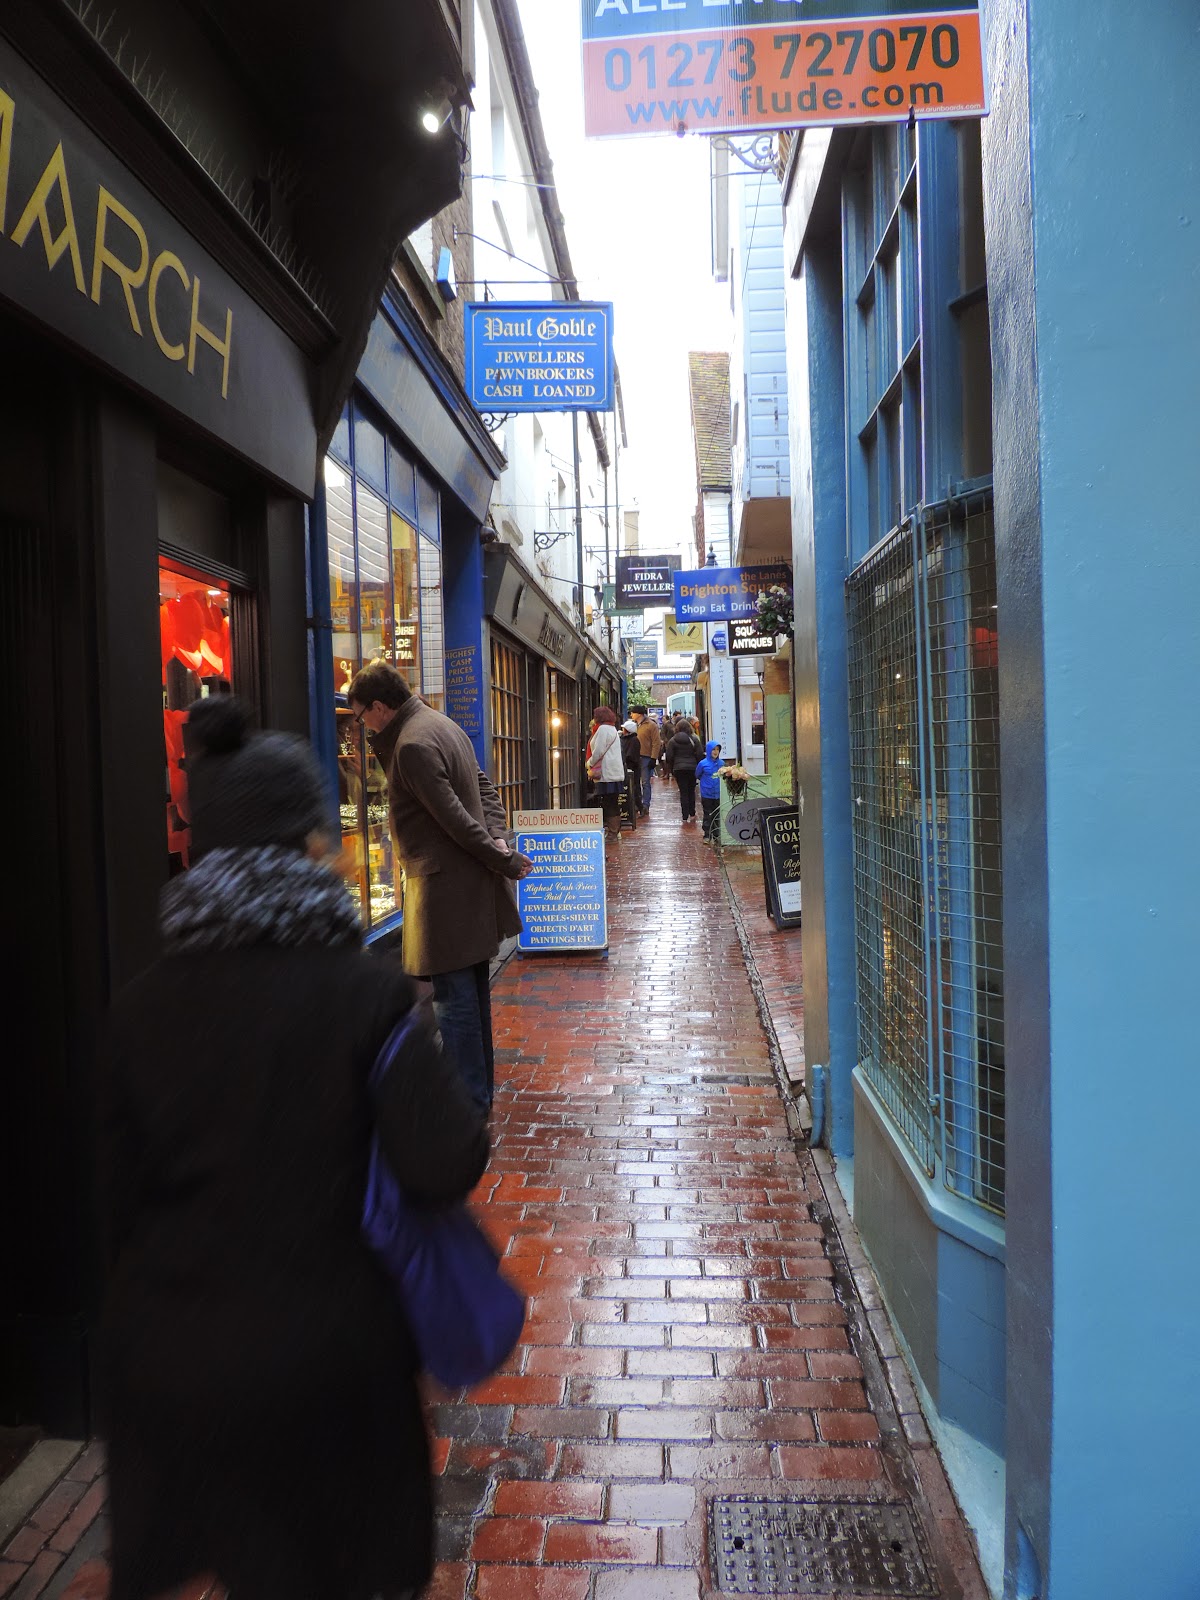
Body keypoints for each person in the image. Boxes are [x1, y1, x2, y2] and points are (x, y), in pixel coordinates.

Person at [100, 694, 488, 1600]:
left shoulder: (137, 1012)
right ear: (312, 847)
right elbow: (445, 1159)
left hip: (184, 1371)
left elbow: (114, 1208)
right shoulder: (366, 996)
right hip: (332, 1365)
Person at [348, 660, 531, 1115]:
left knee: (455, 1002)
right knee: (471, 993)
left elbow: (454, 822)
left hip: (444, 891)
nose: (360, 725)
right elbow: (486, 792)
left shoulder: (410, 744)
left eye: (360, 716)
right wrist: (500, 839)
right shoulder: (440, 723)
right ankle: (479, 1092)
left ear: (378, 707)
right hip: (466, 887)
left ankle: (468, 1101)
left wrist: (503, 856)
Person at [586, 704, 625, 842]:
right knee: (612, 801)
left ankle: (613, 832)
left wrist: (589, 762)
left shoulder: (602, 729)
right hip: (613, 771)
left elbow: (599, 751)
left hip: (607, 773)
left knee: (609, 802)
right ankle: (614, 831)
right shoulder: (612, 728)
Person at [665, 718, 703, 823]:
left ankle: (684, 815)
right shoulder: (694, 739)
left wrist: (673, 768)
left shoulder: (672, 740)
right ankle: (692, 812)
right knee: (691, 790)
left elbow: (669, 757)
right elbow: (699, 754)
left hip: (679, 769)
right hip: (692, 768)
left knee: (683, 792)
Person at [632, 709, 661, 816]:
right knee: (635, 782)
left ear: (639, 714)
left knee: (645, 782)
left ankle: (645, 805)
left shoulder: (651, 725)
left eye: (633, 712)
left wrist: (653, 758)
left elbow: (656, 743)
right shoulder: (633, 725)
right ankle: (637, 803)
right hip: (635, 757)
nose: (631, 714)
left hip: (646, 757)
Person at [696, 740, 724, 842]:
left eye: (717, 749)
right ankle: (707, 835)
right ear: (708, 750)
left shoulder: (721, 763)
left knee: (717, 814)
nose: (715, 752)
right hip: (707, 794)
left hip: (718, 794)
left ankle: (716, 835)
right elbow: (697, 774)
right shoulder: (703, 764)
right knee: (708, 814)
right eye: (713, 749)